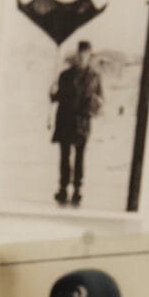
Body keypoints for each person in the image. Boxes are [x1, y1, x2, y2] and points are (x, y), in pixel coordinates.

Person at [49, 40, 103, 207]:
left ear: (89, 56)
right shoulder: (65, 75)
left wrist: (91, 109)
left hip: (82, 123)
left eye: (85, 55)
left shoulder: (94, 77)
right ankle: (63, 188)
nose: (82, 58)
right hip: (65, 120)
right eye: (80, 54)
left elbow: (100, 99)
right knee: (65, 157)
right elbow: (56, 98)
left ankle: (78, 190)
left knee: (80, 157)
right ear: (77, 55)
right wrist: (52, 92)